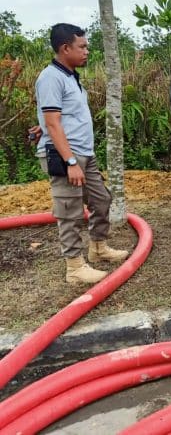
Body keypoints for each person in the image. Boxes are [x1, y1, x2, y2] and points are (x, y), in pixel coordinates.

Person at [34, 23, 129, 284]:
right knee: (70, 209)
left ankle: (98, 248)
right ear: (65, 48)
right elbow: (53, 122)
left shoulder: (70, 76)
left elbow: (57, 117)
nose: (87, 51)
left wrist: (42, 127)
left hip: (83, 153)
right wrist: (71, 161)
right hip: (67, 156)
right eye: (82, 46)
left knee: (101, 199)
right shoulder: (51, 77)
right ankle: (74, 267)